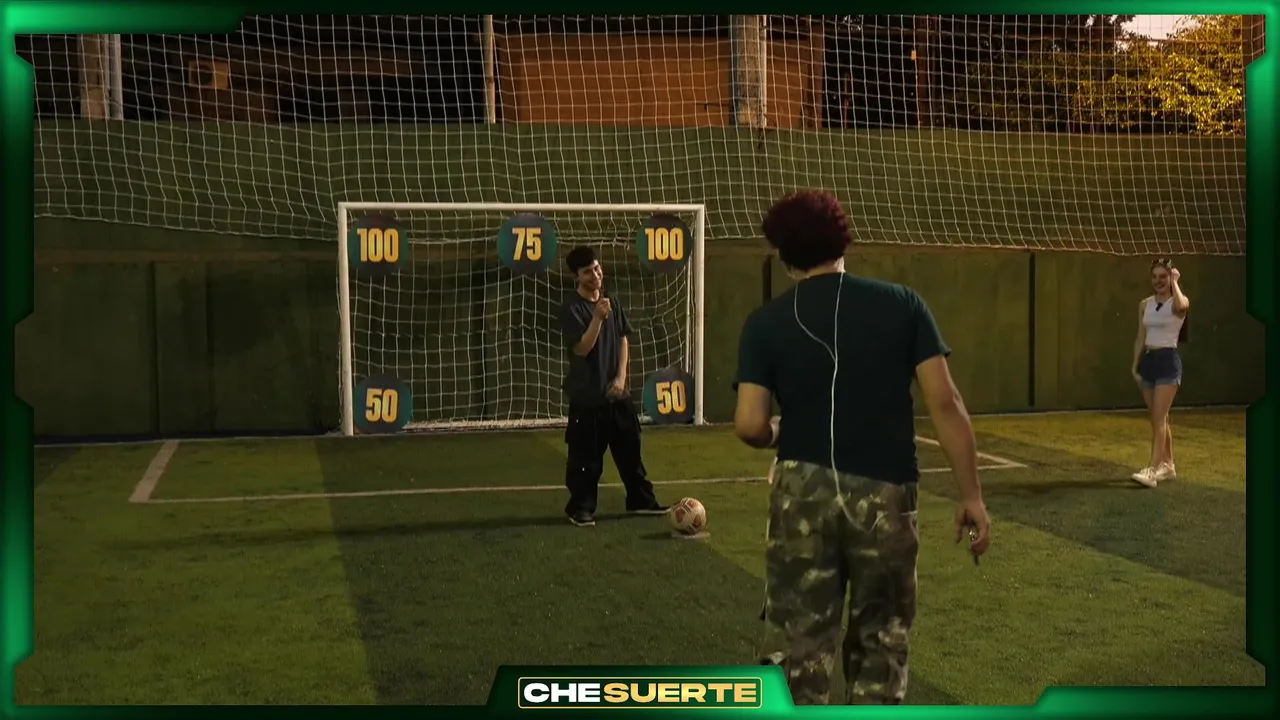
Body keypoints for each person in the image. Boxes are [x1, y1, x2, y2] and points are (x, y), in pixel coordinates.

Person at [732, 189, 991, 705]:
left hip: (801, 493)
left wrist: (777, 433)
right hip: (886, 493)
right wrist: (972, 496)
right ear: (843, 240)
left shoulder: (765, 323)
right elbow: (946, 403)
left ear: (784, 255)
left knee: (797, 644)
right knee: (881, 641)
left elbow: (749, 424)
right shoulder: (903, 305)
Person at [557, 245, 668, 527]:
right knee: (585, 459)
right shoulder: (571, 308)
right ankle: (581, 508)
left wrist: (621, 378)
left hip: (617, 396)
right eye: (587, 272)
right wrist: (597, 318)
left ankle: (641, 501)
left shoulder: (612, 302)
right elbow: (581, 349)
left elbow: (622, 339)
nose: (595, 275)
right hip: (587, 397)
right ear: (577, 276)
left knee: (631, 451)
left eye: (597, 268)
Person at [1129, 258, 1190, 488]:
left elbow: (1181, 307)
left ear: (1171, 277)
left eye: (1163, 276)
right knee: (1159, 418)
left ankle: (1152, 470)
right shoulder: (1144, 304)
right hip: (1149, 362)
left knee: (1158, 417)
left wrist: (1175, 281)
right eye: (1154, 277)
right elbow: (1140, 337)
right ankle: (1168, 465)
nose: (1158, 281)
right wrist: (1135, 365)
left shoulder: (1178, 301)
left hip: (1167, 362)